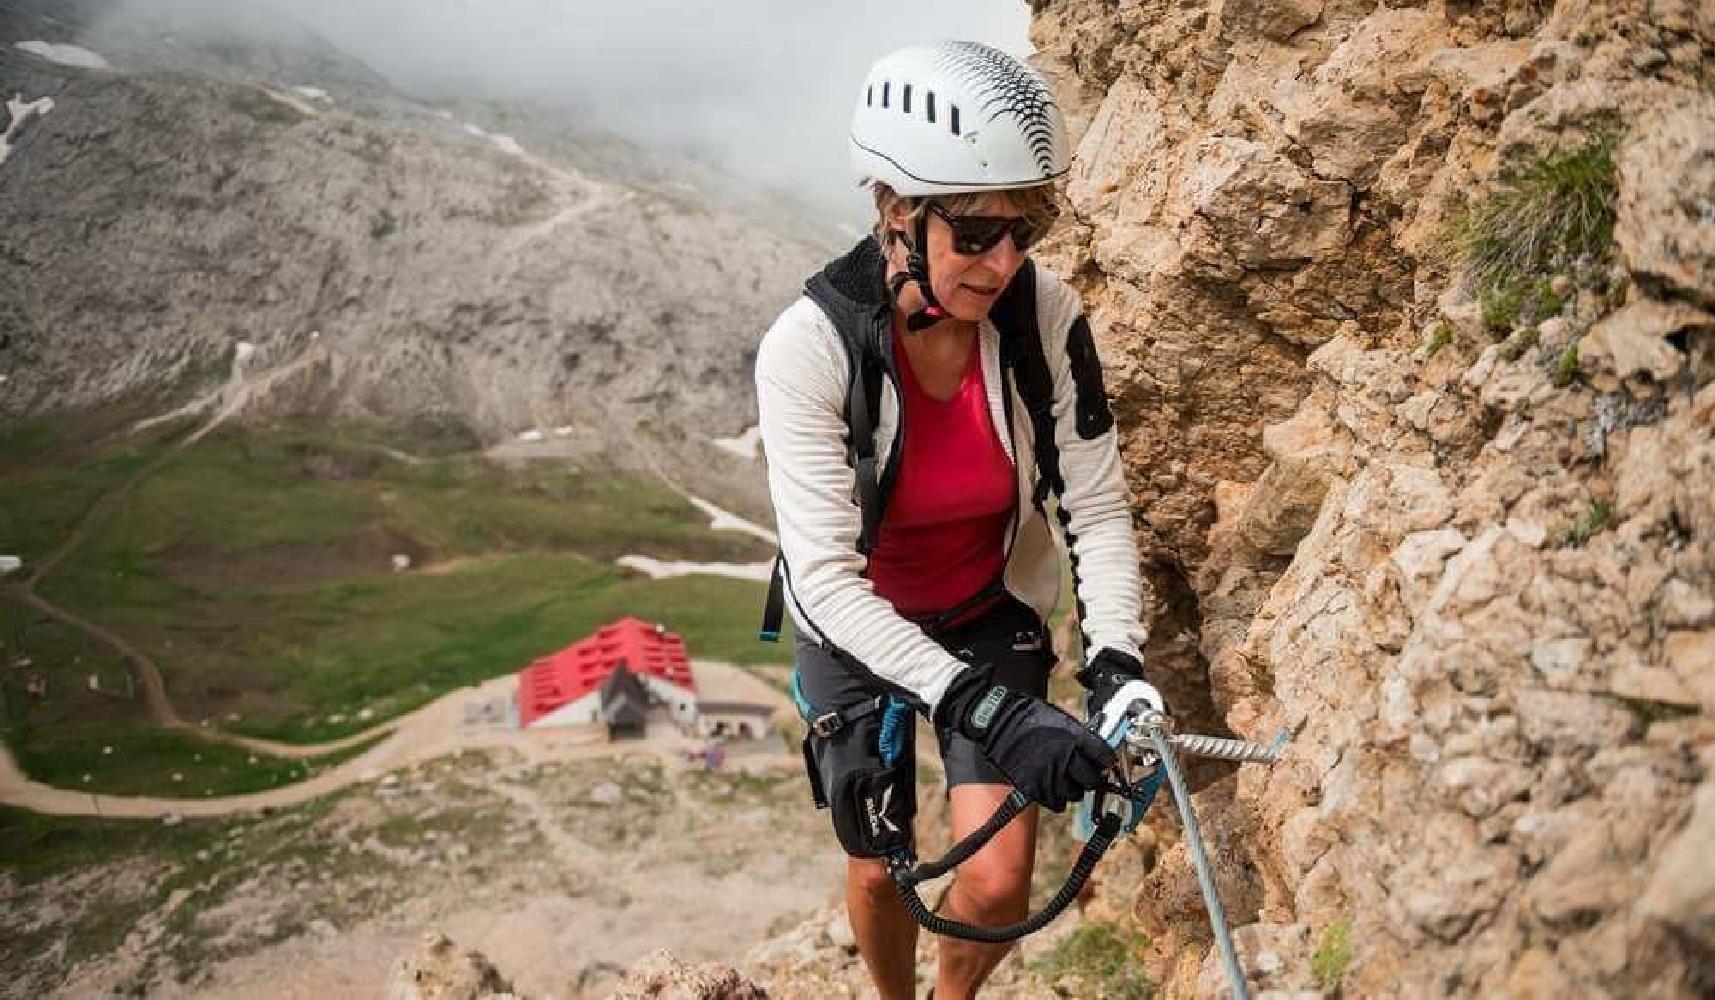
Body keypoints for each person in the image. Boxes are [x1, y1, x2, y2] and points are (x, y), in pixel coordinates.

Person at [754, 40, 1164, 1000]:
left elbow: (1095, 505)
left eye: (1028, 228)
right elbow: (825, 581)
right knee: (877, 870)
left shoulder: (1042, 317)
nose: (1004, 261)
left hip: (982, 606)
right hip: (854, 624)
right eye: (976, 232)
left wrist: (1116, 663)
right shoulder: (808, 349)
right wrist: (986, 711)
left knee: (996, 879)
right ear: (897, 213)